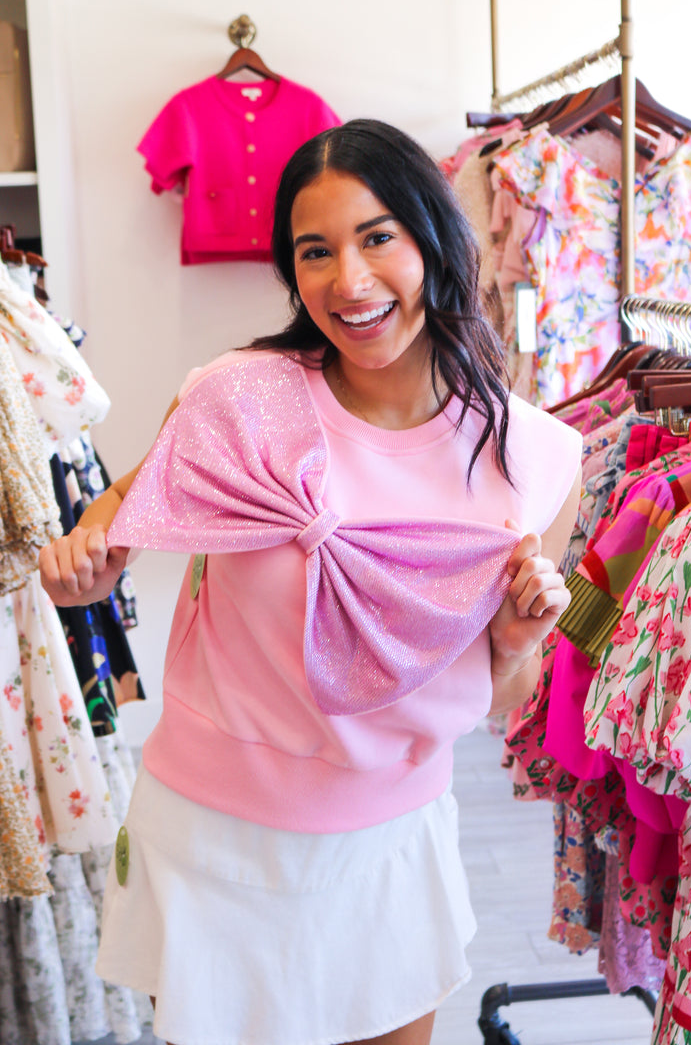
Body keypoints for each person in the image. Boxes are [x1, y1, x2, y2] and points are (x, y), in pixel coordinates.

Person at [39, 119, 582, 1045]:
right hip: (212, 834)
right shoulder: (237, 396)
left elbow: (501, 701)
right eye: (315, 252)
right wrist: (84, 556)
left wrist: (520, 641)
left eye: (378, 238)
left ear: (435, 241)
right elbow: (119, 524)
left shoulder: (535, 460)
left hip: (387, 844)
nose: (350, 281)